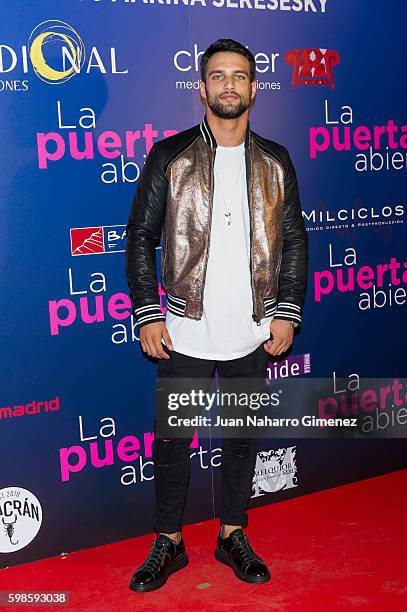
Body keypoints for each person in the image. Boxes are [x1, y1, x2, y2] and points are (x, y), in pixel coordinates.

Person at [125, 38, 308, 592]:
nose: (229, 84)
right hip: (182, 327)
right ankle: (169, 541)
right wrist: (147, 311)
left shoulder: (277, 162)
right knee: (173, 440)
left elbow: (295, 240)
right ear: (201, 88)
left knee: (240, 437)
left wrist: (287, 311)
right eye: (218, 76)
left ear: (254, 88)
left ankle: (232, 533)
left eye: (240, 76)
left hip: (253, 328)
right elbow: (141, 238)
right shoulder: (170, 156)